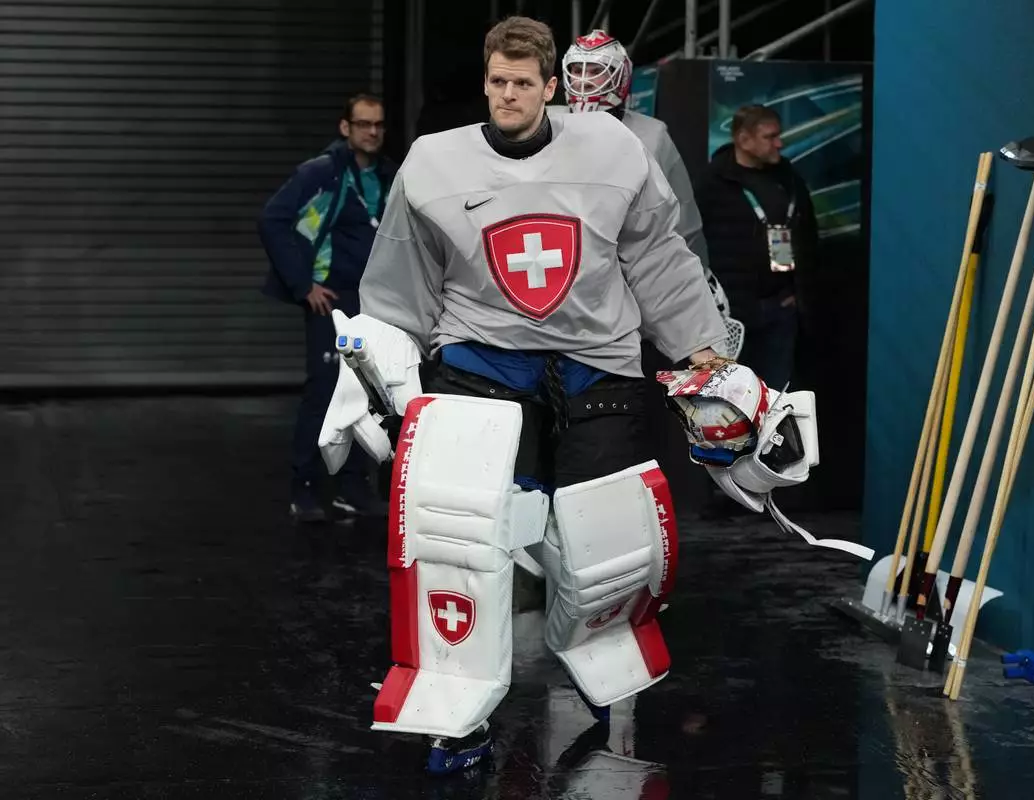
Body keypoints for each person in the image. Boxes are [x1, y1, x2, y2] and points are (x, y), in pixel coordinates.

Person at [312, 15, 819, 777]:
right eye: (497, 81)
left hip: (595, 359)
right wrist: (377, 359)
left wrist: (706, 353)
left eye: (523, 83)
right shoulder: (433, 162)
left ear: (550, 87)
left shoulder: (615, 150)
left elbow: (658, 256)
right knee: (462, 534)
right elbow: (400, 278)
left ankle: (602, 664)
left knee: (604, 537)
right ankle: (456, 705)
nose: (508, 95)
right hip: (481, 357)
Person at [559, 29, 742, 358]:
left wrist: (699, 278)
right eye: (577, 70)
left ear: (621, 77)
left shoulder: (651, 135)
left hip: (634, 283)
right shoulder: (548, 126)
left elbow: (683, 220)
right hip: (567, 282)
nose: (584, 81)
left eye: (596, 70)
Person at [258, 94, 397, 523]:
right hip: (331, 301)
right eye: (363, 124)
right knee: (324, 393)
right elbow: (272, 220)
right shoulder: (321, 172)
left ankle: (353, 490)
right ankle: (303, 490)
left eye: (378, 124)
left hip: (373, 303)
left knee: (369, 397)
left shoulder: (390, 175)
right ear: (345, 127)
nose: (372, 132)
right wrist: (304, 286)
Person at [694, 104, 821, 389]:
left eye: (779, 135)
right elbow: (692, 243)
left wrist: (799, 293)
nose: (779, 143)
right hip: (732, 317)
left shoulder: (788, 178)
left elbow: (809, 237)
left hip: (781, 309)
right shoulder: (712, 182)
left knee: (778, 396)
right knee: (732, 396)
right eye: (769, 137)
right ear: (744, 139)